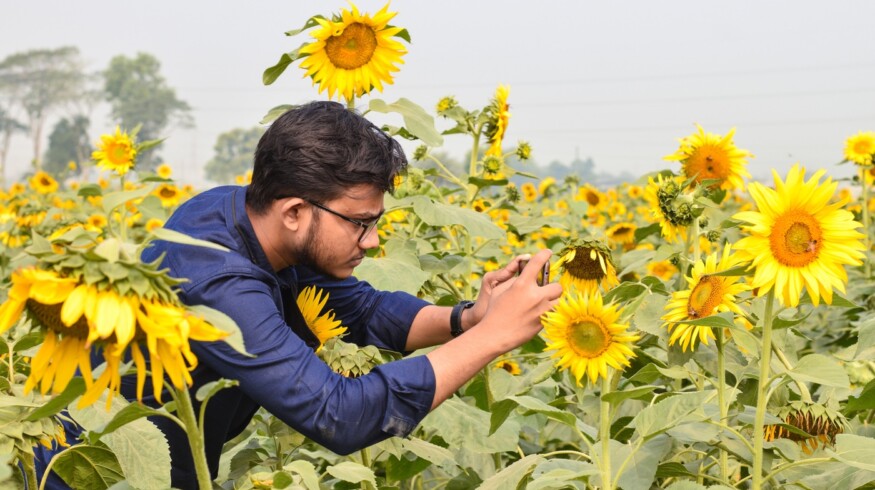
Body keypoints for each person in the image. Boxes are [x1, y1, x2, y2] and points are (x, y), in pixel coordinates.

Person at [36, 100, 562, 488]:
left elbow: (365, 309)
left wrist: (467, 318)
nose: (373, 241)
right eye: (360, 222)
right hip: (98, 472)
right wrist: (493, 338)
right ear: (294, 212)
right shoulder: (217, 283)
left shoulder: (248, 215)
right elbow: (339, 413)